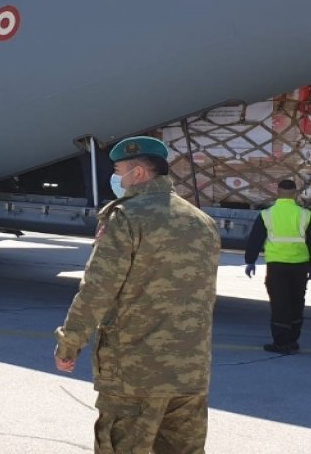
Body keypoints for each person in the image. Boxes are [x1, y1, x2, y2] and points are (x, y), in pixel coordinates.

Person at [53, 136, 221, 453]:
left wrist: (70, 341)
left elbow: (98, 288)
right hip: (190, 371)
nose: (115, 178)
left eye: (118, 171)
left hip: (135, 371)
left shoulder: (126, 217)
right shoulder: (203, 222)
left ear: (139, 174)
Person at [243, 178, 311, 354]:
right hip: (299, 265)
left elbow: (255, 239)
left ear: (277, 192)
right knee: (296, 303)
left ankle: (280, 342)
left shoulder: (267, 214)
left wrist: (250, 261)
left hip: (277, 265)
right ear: (295, 193)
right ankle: (293, 340)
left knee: (280, 304)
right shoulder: (305, 215)